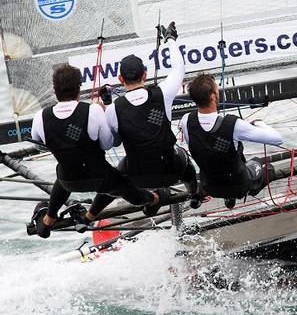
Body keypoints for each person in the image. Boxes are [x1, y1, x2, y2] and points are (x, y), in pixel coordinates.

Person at [29, 65, 166, 239]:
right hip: (100, 179)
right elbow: (108, 144)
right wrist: (102, 112)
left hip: (68, 181)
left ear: (55, 91)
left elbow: (39, 146)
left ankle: (48, 220)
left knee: (65, 171)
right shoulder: (92, 110)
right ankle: (155, 198)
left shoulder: (40, 116)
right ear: (79, 88)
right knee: (130, 191)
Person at [105, 22, 197, 201]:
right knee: (184, 156)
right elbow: (179, 68)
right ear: (145, 75)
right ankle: (194, 194)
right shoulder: (162, 93)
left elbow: (113, 143)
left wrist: (107, 104)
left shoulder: (113, 109)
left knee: (116, 173)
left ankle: (90, 215)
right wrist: (170, 39)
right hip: (171, 171)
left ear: (120, 79)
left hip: (136, 177)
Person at [181, 73, 283, 208]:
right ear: (213, 96)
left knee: (215, 160)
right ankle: (239, 193)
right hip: (238, 186)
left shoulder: (186, 120)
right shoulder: (234, 124)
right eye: (217, 89)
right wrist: (260, 123)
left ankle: (211, 196)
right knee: (263, 165)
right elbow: (277, 139)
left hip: (210, 185)